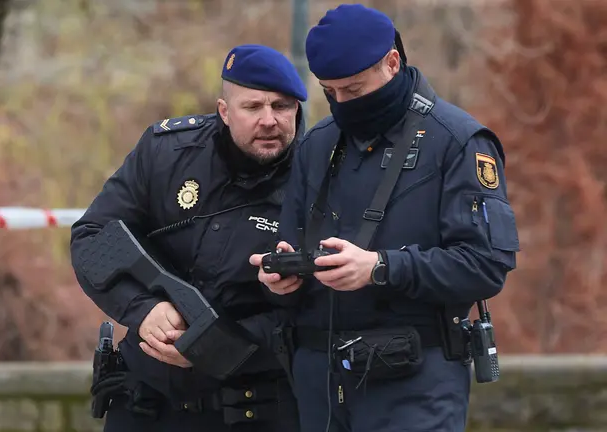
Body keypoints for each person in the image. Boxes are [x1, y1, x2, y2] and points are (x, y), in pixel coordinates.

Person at [249, 4, 520, 432]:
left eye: (353, 91)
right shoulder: (317, 144)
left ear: (392, 62)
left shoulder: (457, 142)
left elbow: (486, 265)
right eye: (329, 93)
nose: (341, 103)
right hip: (319, 386)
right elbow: (290, 248)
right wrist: (281, 278)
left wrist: (381, 268)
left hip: (414, 385)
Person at [70, 44, 307, 432]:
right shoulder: (167, 153)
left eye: (282, 106)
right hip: (147, 401)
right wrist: (143, 309)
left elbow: (327, 311)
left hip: (253, 405)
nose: (269, 120)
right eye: (253, 107)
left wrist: (213, 347)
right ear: (225, 111)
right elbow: (92, 238)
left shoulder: (319, 178)